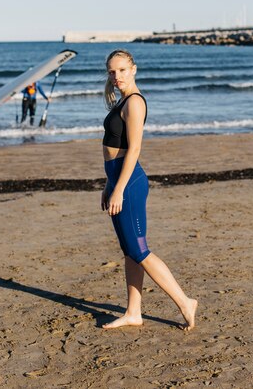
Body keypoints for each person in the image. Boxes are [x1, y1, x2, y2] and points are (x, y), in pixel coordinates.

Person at [101, 49, 198, 331]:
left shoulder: (135, 103)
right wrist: (108, 184)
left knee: (140, 250)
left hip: (129, 184)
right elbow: (115, 151)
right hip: (118, 179)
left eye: (121, 70)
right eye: (111, 71)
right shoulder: (121, 101)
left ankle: (184, 302)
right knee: (129, 250)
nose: (116, 76)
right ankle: (134, 312)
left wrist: (119, 188)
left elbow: (134, 150)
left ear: (133, 69)